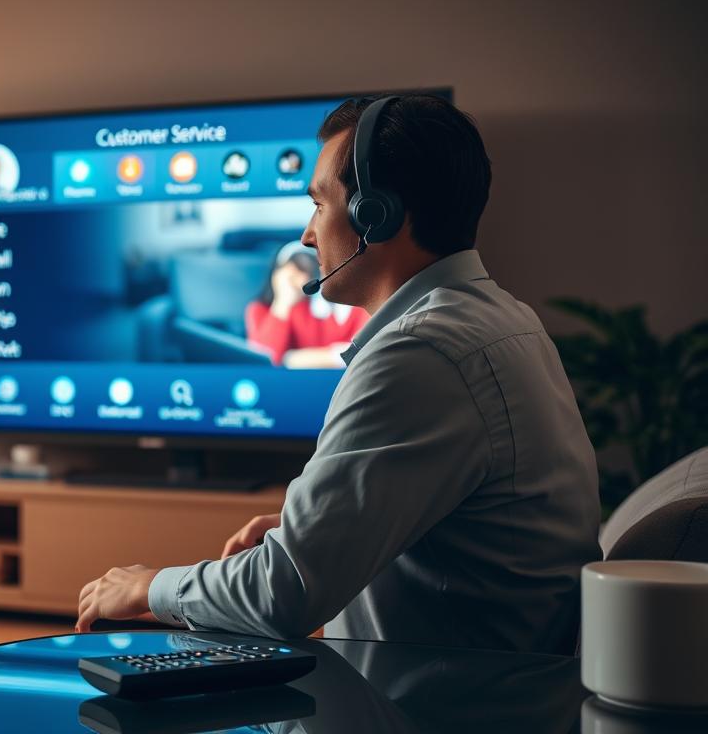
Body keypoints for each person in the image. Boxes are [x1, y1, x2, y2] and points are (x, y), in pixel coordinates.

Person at [74, 94, 601, 654]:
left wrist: (148, 587)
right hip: (492, 679)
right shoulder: (504, 318)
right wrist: (329, 525)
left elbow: (283, 593)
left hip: (434, 696)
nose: (308, 235)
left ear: (377, 215)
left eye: (318, 204)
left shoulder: (418, 353)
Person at [246, 240, 370, 368]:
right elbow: (266, 359)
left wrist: (289, 358)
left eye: (308, 270)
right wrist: (282, 302)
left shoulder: (355, 307)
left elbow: (361, 354)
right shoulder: (259, 310)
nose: (300, 278)